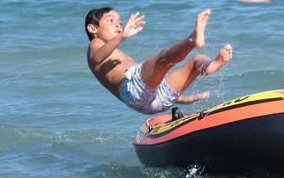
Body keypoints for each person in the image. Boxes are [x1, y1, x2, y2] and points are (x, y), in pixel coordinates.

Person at [86, 7, 233, 114]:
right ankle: (191, 40)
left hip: (155, 101)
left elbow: (149, 88)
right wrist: (122, 36)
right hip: (136, 91)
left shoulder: (114, 51)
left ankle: (210, 65)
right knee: (162, 59)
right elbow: (97, 58)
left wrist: (186, 98)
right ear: (93, 28)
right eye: (111, 21)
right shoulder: (95, 44)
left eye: (120, 22)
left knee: (196, 61)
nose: (118, 24)